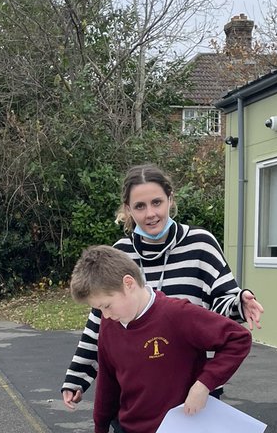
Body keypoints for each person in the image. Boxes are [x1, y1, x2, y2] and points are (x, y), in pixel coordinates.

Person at [62, 163, 263, 407]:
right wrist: (78, 376)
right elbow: (100, 322)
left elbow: (219, 306)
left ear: (170, 199)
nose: (150, 214)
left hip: (193, 391)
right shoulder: (121, 253)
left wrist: (238, 303)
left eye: (157, 202)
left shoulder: (200, 244)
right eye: (140, 206)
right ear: (128, 210)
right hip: (139, 392)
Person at [70, 246, 252, 433]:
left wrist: (204, 385)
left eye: (106, 306)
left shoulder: (177, 314)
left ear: (128, 284)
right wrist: (100, 431)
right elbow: (108, 379)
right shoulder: (109, 324)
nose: (105, 315)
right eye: (98, 309)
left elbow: (238, 338)